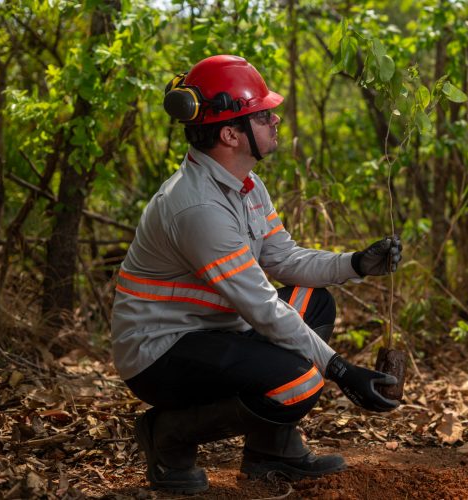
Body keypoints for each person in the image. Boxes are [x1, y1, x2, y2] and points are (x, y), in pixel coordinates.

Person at [111, 54, 403, 495]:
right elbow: (263, 308)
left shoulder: (245, 185)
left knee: (315, 298)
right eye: (263, 116)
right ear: (230, 133)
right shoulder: (198, 208)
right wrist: (342, 371)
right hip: (162, 353)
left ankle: (271, 449)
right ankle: (167, 435)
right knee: (301, 382)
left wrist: (356, 263)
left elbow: (284, 259)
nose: (276, 121)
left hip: (214, 333)